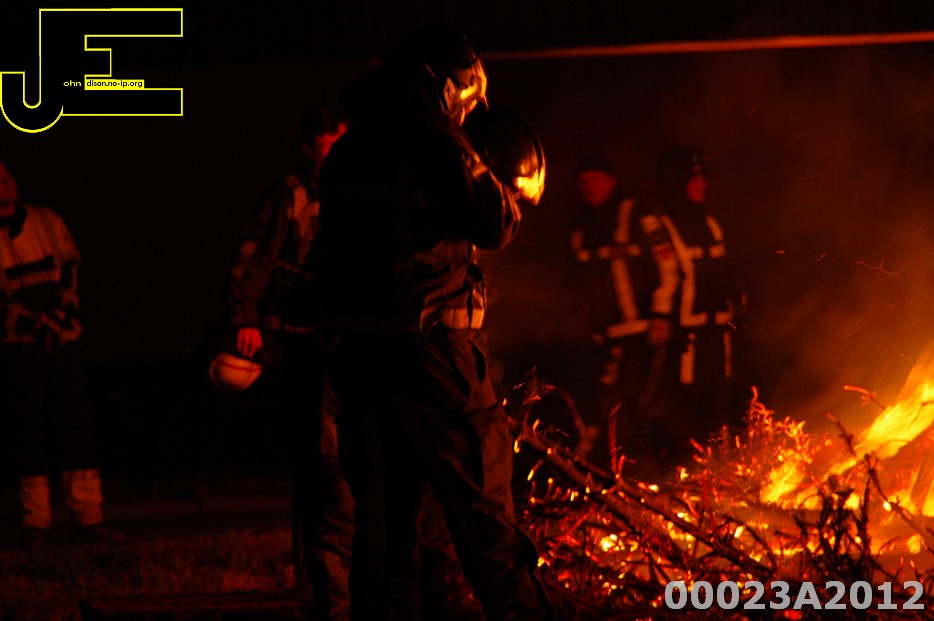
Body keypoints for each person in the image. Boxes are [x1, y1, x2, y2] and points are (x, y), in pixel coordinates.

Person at [310, 24, 554, 621]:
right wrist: (501, 180)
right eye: (469, 94)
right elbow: (495, 223)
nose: (470, 108)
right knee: (485, 522)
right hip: (435, 362)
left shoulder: (348, 151)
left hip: (364, 365)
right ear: (445, 86)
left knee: (384, 532)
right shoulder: (437, 143)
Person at [225, 104, 353, 618]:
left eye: (341, 142)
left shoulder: (364, 190)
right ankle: (324, 593)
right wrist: (245, 316)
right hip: (304, 348)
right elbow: (253, 256)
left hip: (353, 347)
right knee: (321, 470)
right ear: (309, 150)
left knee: (351, 471)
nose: (335, 154)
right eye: (326, 147)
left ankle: (349, 585)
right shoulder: (292, 193)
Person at [0, 160, 118, 548]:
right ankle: (36, 521)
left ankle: (89, 516)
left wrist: (55, 318)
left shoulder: (47, 220)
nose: (5, 182)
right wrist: (31, 324)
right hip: (18, 348)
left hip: (63, 340)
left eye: (7, 175)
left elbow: (72, 269)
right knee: (28, 431)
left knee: (76, 426)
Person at [568, 157, 680, 476]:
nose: (590, 187)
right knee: (596, 408)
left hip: (641, 334)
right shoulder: (581, 229)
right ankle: (583, 477)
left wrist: (660, 315)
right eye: (584, 181)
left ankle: (637, 477)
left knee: (630, 409)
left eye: (596, 178)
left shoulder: (637, 216)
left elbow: (668, 266)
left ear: (611, 181)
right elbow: (578, 285)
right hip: (602, 339)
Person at [648, 146, 741, 472]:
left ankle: (721, 479)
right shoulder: (660, 227)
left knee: (718, 412)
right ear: (677, 182)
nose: (704, 184)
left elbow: (725, 271)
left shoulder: (711, 224)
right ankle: (682, 481)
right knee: (683, 416)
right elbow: (660, 281)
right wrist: (662, 322)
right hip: (682, 344)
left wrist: (739, 298)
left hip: (717, 338)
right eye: (695, 178)